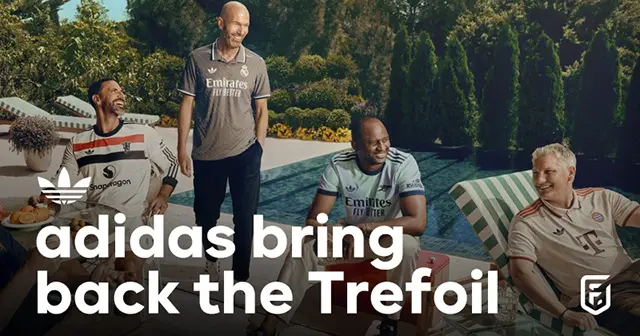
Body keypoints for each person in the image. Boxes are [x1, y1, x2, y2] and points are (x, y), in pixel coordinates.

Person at [247, 116, 427, 336]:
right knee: (306, 244)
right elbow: (313, 219)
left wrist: (367, 228)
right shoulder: (339, 164)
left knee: (407, 246)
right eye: (373, 143)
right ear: (355, 145)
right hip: (350, 239)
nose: (383, 148)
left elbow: (418, 223)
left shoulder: (403, 163)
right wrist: (328, 233)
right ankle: (271, 323)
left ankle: (390, 321)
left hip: (386, 237)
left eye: (386, 140)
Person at [34, 78, 179, 307]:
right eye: (114, 91)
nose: (121, 94)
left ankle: (106, 286)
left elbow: (172, 163)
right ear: (97, 99)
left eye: (122, 91)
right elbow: (64, 180)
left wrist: (163, 195)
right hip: (92, 224)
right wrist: (48, 194)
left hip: (130, 221)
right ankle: (94, 283)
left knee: (129, 282)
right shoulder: (78, 143)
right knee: (50, 266)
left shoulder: (142, 135)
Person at [176, 0, 270, 283]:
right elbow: (187, 105)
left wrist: (259, 148)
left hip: (245, 153)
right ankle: (211, 259)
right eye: (235, 24)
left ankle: (241, 276)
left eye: (245, 26)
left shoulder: (255, 62)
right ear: (220, 23)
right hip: (207, 153)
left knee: (245, 218)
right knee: (206, 215)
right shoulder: (198, 59)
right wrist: (182, 148)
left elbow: (262, 110)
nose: (239, 30)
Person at [507, 143, 640, 336]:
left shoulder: (601, 197)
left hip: (633, 272)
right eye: (536, 173)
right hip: (602, 294)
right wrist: (564, 313)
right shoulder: (526, 222)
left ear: (570, 173)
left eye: (548, 172)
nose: (539, 180)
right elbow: (520, 273)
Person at [0, 226, 126, 336]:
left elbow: (37, 276)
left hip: (54, 315)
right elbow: (29, 272)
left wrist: (91, 282)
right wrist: (30, 271)